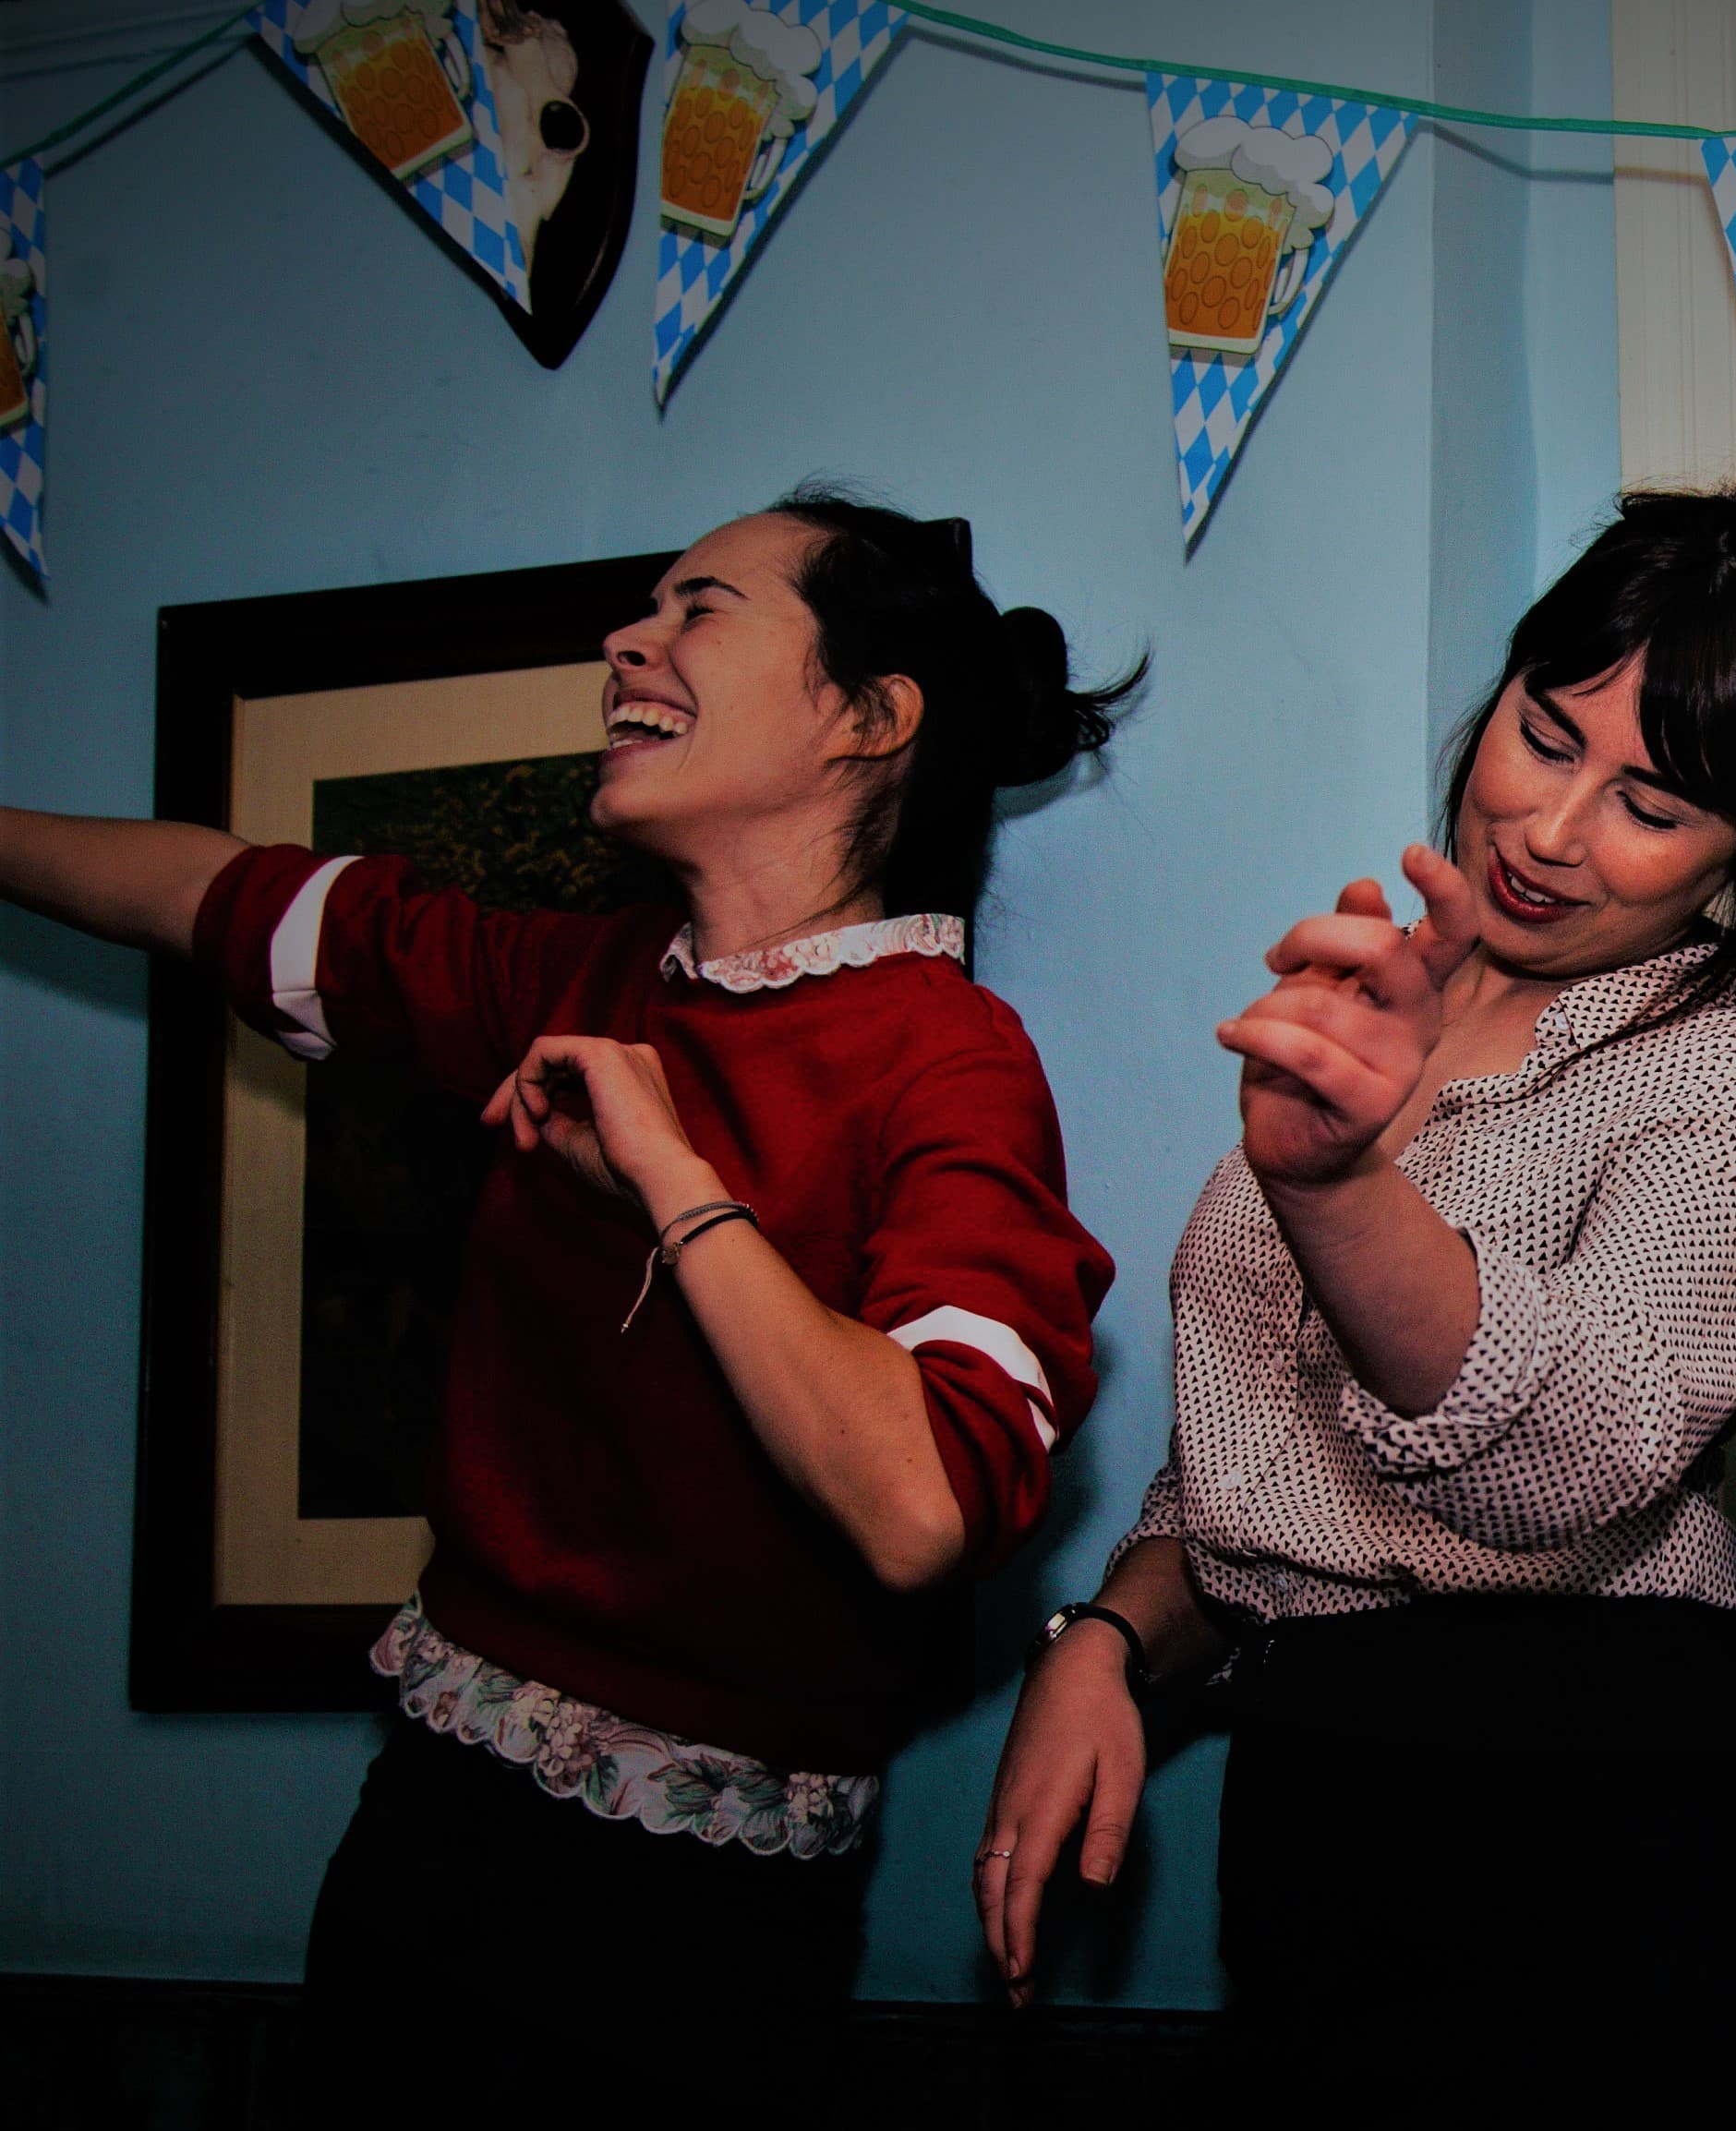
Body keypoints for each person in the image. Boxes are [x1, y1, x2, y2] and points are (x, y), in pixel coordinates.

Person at [0, 489, 1126, 2113]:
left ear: (869, 718)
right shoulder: (574, 975)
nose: (628, 640)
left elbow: (922, 1504)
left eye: (700, 608)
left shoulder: (945, 1056)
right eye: (647, 608)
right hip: (427, 1826)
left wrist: (674, 1182)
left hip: (693, 1935)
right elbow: (221, 897)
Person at [975, 487, 1736, 2127]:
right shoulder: (1374, 1010)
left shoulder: (1733, 1084)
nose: (1551, 828)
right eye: (1543, 733)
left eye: (1651, 803)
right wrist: (1106, 1643)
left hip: (1598, 1821)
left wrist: (1338, 1189)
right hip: (1317, 1798)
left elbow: (1571, 1464)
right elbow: (1256, 1470)